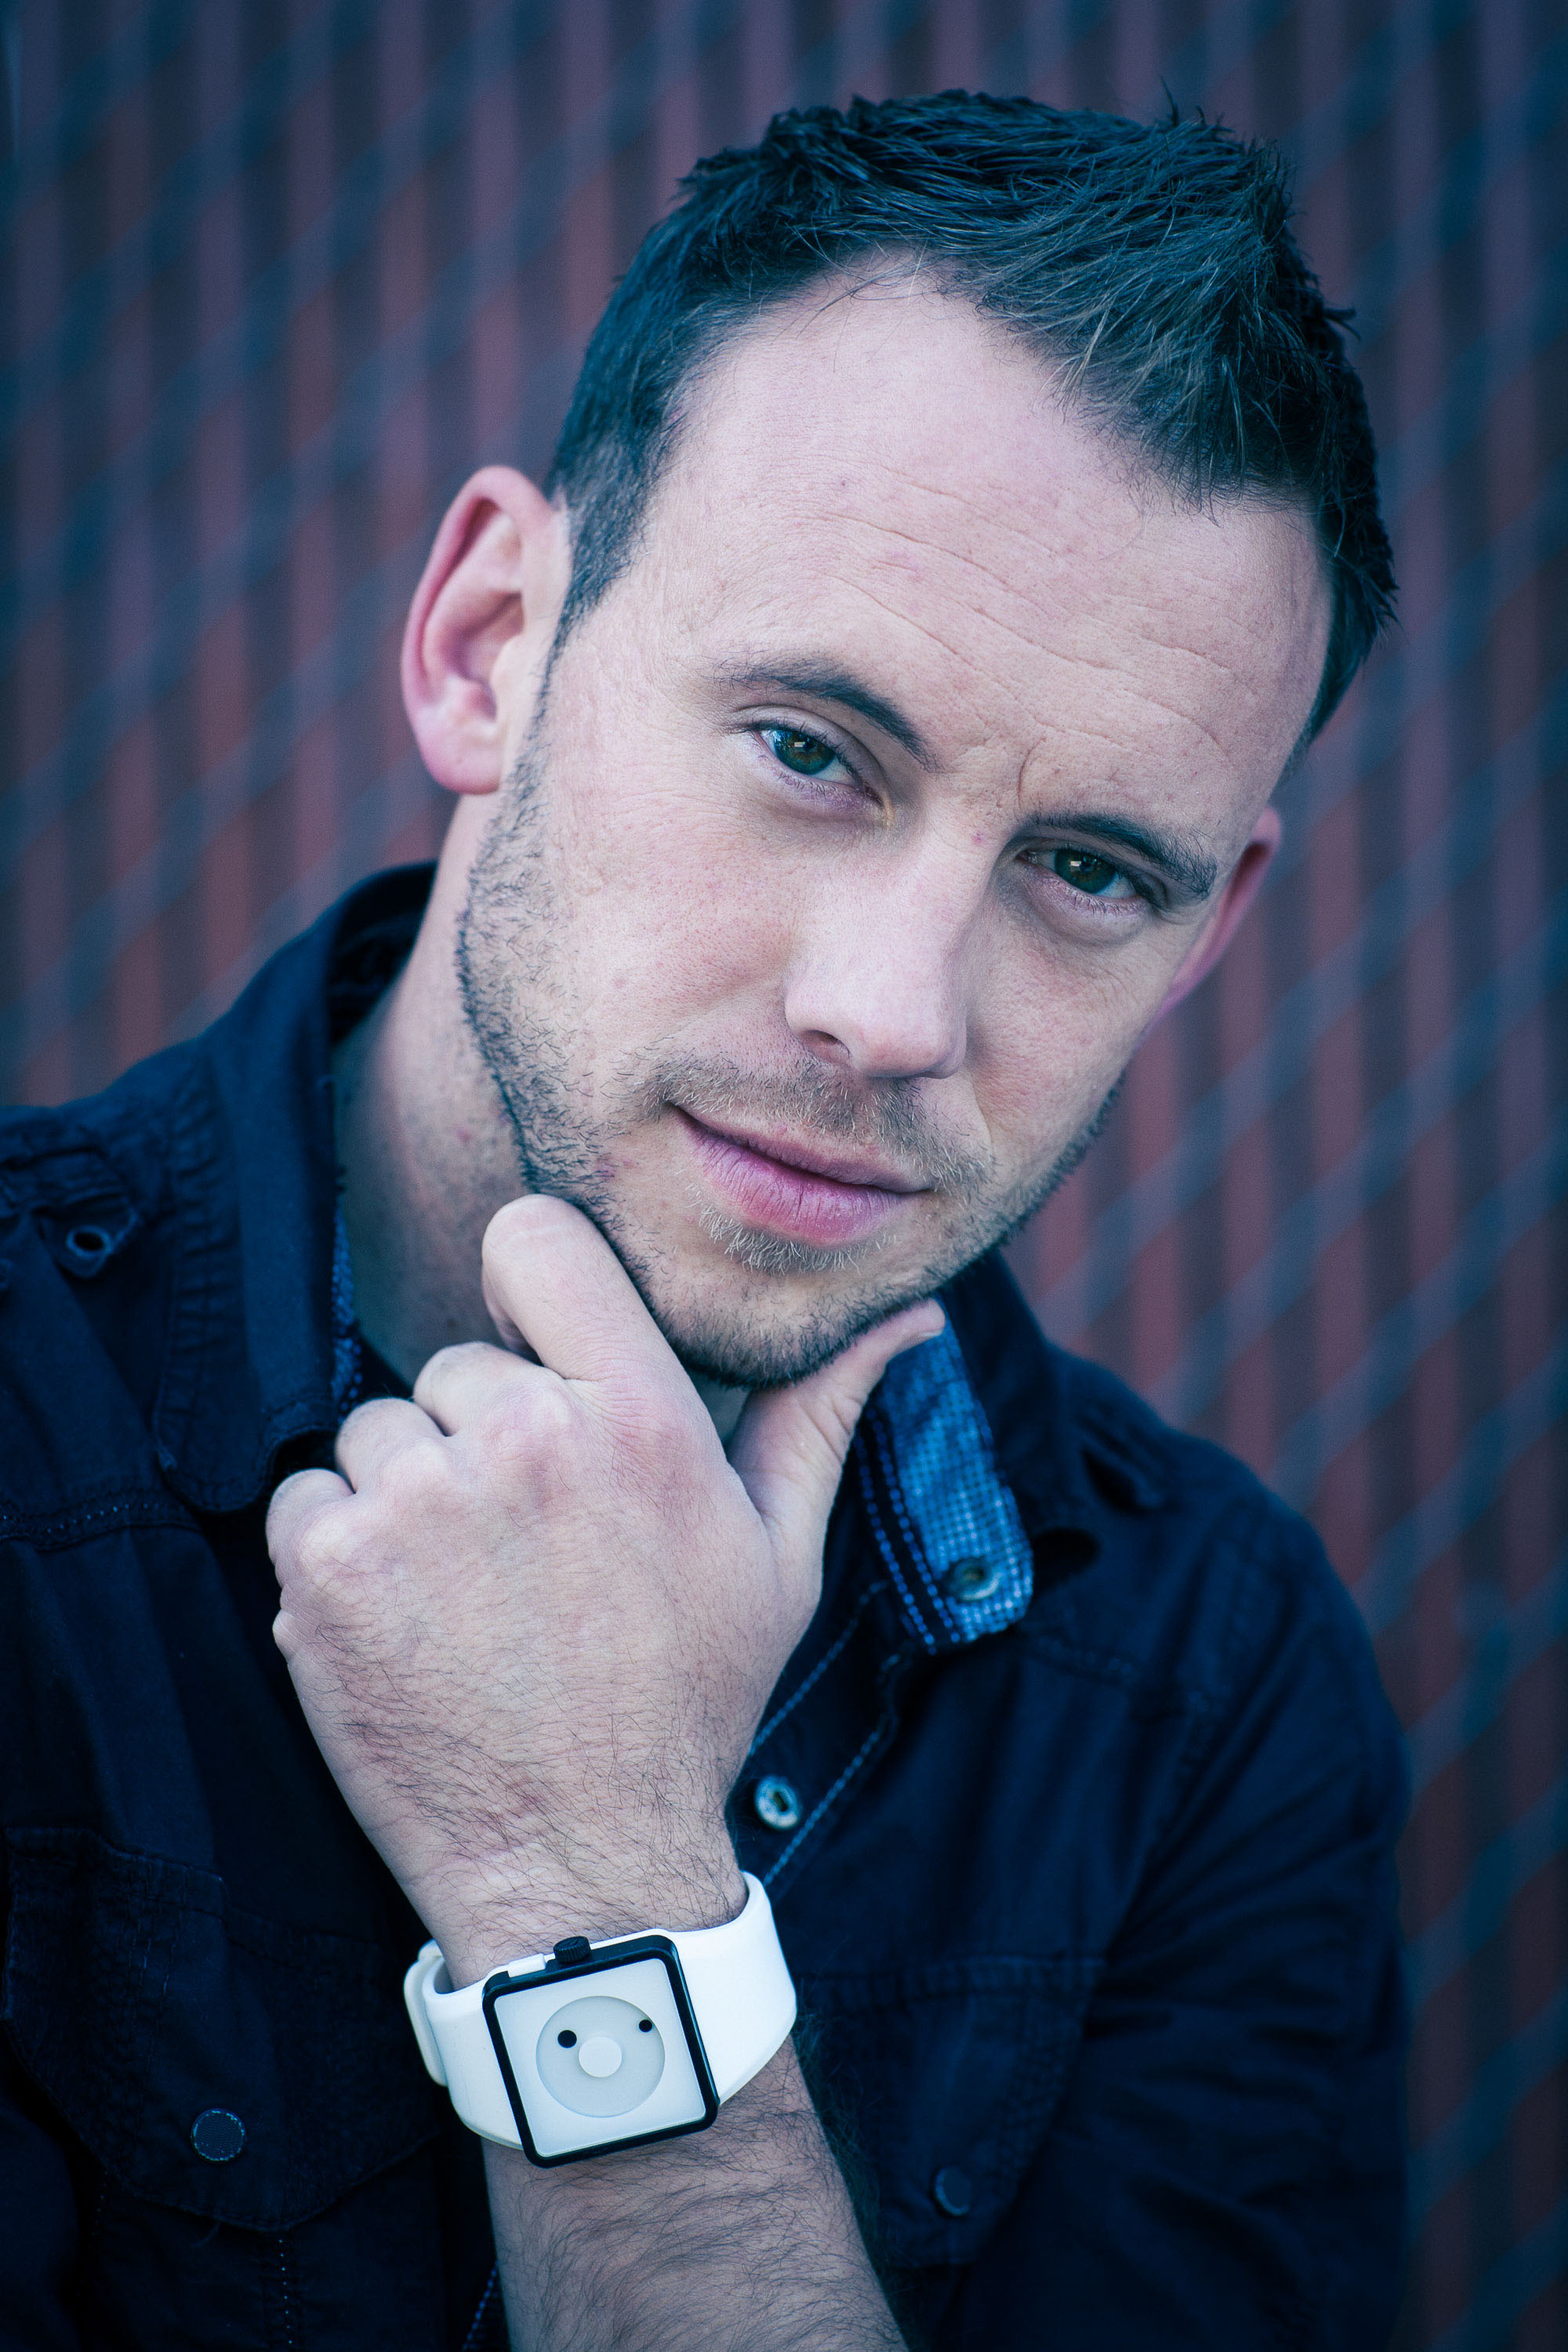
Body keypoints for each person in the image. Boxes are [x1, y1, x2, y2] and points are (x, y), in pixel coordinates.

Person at [0, 93, 1407, 2351]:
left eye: (1087, 873)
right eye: (810, 749)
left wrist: (598, 1901)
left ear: (1213, 927)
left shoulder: (1208, 1689)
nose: (892, 1014)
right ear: (488, 644)